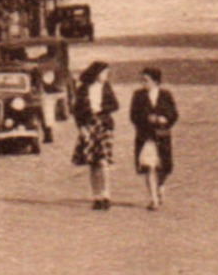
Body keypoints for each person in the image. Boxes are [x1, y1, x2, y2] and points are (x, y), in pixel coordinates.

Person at [129, 66, 179, 210]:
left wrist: (165, 119)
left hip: (162, 136)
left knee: (164, 168)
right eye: (142, 80)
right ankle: (153, 199)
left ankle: (160, 185)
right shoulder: (138, 95)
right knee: (149, 166)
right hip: (145, 137)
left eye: (146, 80)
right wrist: (146, 118)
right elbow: (133, 116)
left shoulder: (166, 95)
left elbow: (174, 114)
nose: (143, 83)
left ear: (156, 81)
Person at [72, 60, 119, 210]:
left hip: (103, 125)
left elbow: (115, 104)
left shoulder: (106, 87)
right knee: (92, 163)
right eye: (104, 72)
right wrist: (81, 128)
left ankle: (106, 195)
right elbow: (76, 111)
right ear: (97, 73)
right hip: (89, 126)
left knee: (104, 161)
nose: (106, 75)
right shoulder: (83, 89)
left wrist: (101, 108)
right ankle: (96, 196)